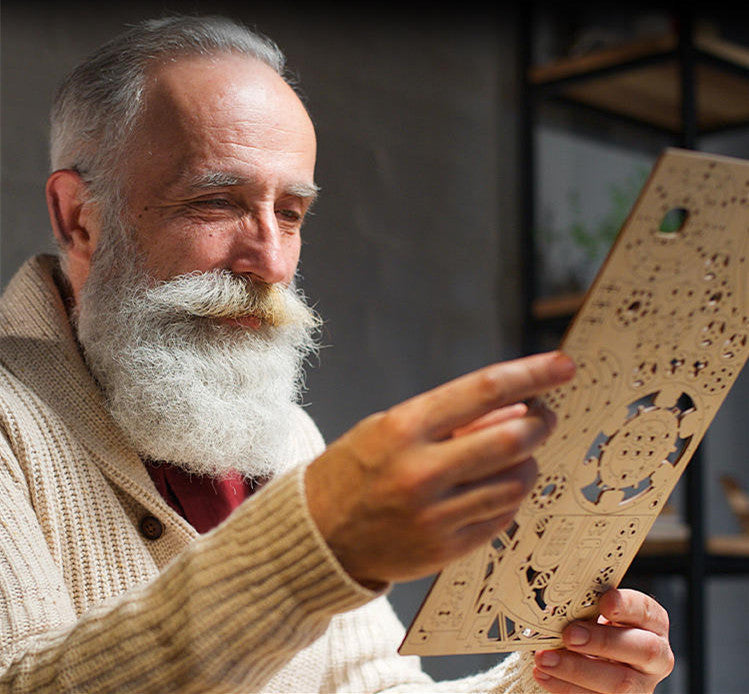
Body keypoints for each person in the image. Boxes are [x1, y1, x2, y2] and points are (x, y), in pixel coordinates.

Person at [0, 15, 674, 693]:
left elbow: (371, 686)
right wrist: (314, 547)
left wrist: (543, 684)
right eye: (215, 202)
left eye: (290, 213)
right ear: (78, 217)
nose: (268, 260)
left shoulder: (284, 436)